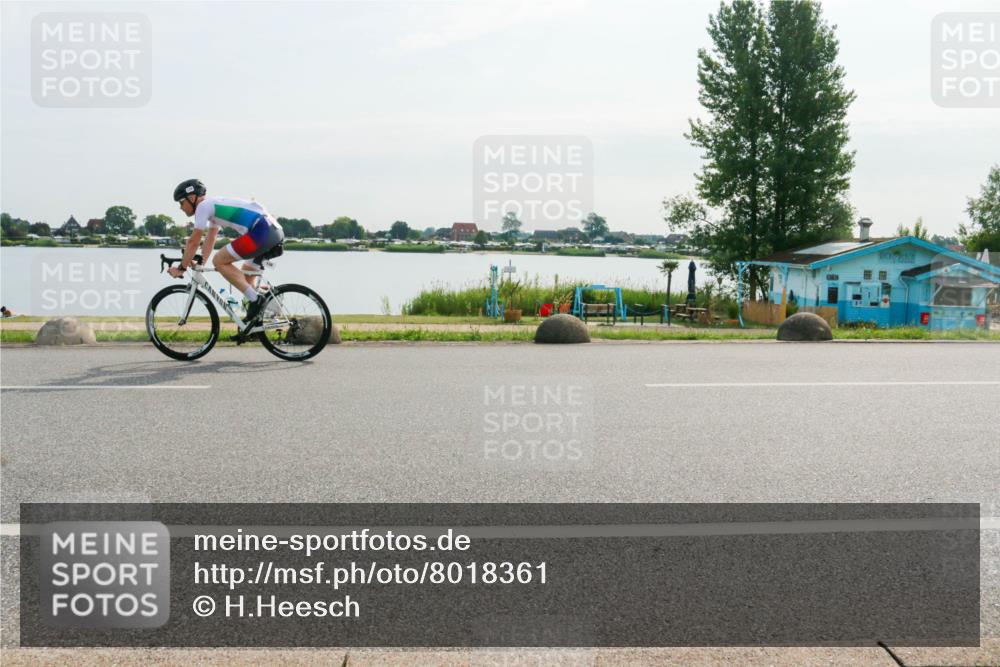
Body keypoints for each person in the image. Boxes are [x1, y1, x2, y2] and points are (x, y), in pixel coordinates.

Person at [170, 179, 284, 324]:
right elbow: (210, 238)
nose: (181, 207)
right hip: (272, 230)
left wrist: (182, 268)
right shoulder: (212, 206)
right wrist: (201, 263)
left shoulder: (203, 207)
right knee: (246, 280)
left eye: (181, 202)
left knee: (219, 261)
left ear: (192, 198)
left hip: (261, 231)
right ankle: (254, 326)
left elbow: (194, 241)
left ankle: (257, 300)